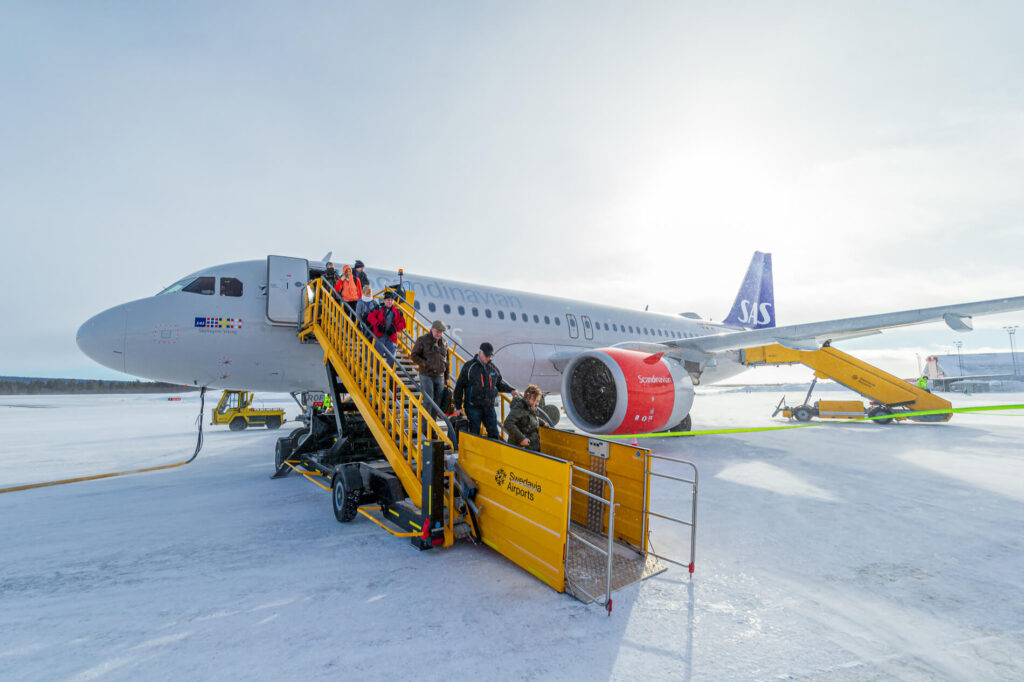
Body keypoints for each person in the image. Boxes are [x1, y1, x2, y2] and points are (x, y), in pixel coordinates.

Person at [453, 342, 519, 439]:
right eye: (486, 355)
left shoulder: (492, 368)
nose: (488, 358)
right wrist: (458, 407)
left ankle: (491, 453)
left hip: (489, 407)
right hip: (473, 407)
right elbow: (459, 387)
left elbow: (499, 384)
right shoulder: (469, 367)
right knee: (474, 433)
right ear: (480, 353)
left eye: (490, 356)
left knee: (494, 433)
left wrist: (511, 390)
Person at [411, 320, 450, 418]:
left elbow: (447, 361)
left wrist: (447, 377)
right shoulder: (422, 340)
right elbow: (414, 355)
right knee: (428, 400)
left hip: (439, 376)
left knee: (437, 403)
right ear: (431, 329)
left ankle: (431, 428)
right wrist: (425, 364)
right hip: (426, 374)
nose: (439, 334)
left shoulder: (444, 343)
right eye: (437, 331)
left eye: (441, 332)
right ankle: (424, 428)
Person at [366, 291, 406, 368]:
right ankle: (376, 375)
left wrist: (395, 329)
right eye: (388, 300)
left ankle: (390, 378)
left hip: (392, 337)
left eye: (391, 300)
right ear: (384, 301)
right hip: (380, 336)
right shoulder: (378, 308)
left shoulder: (398, 312)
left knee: (391, 359)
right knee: (377, 356)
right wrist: (378, 325)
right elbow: (370, 317)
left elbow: (403, 323)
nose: (390, 301)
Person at [504, 384, 543, 451]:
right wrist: (521, 438)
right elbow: (508, 423)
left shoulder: (529, 408)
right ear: (527, 398)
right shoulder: (520, 408)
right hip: (521, 448)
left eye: (537, 401)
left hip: (532, 447)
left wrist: (543, 423)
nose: (536, 403)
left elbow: (530, 418)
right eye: (534, 400)